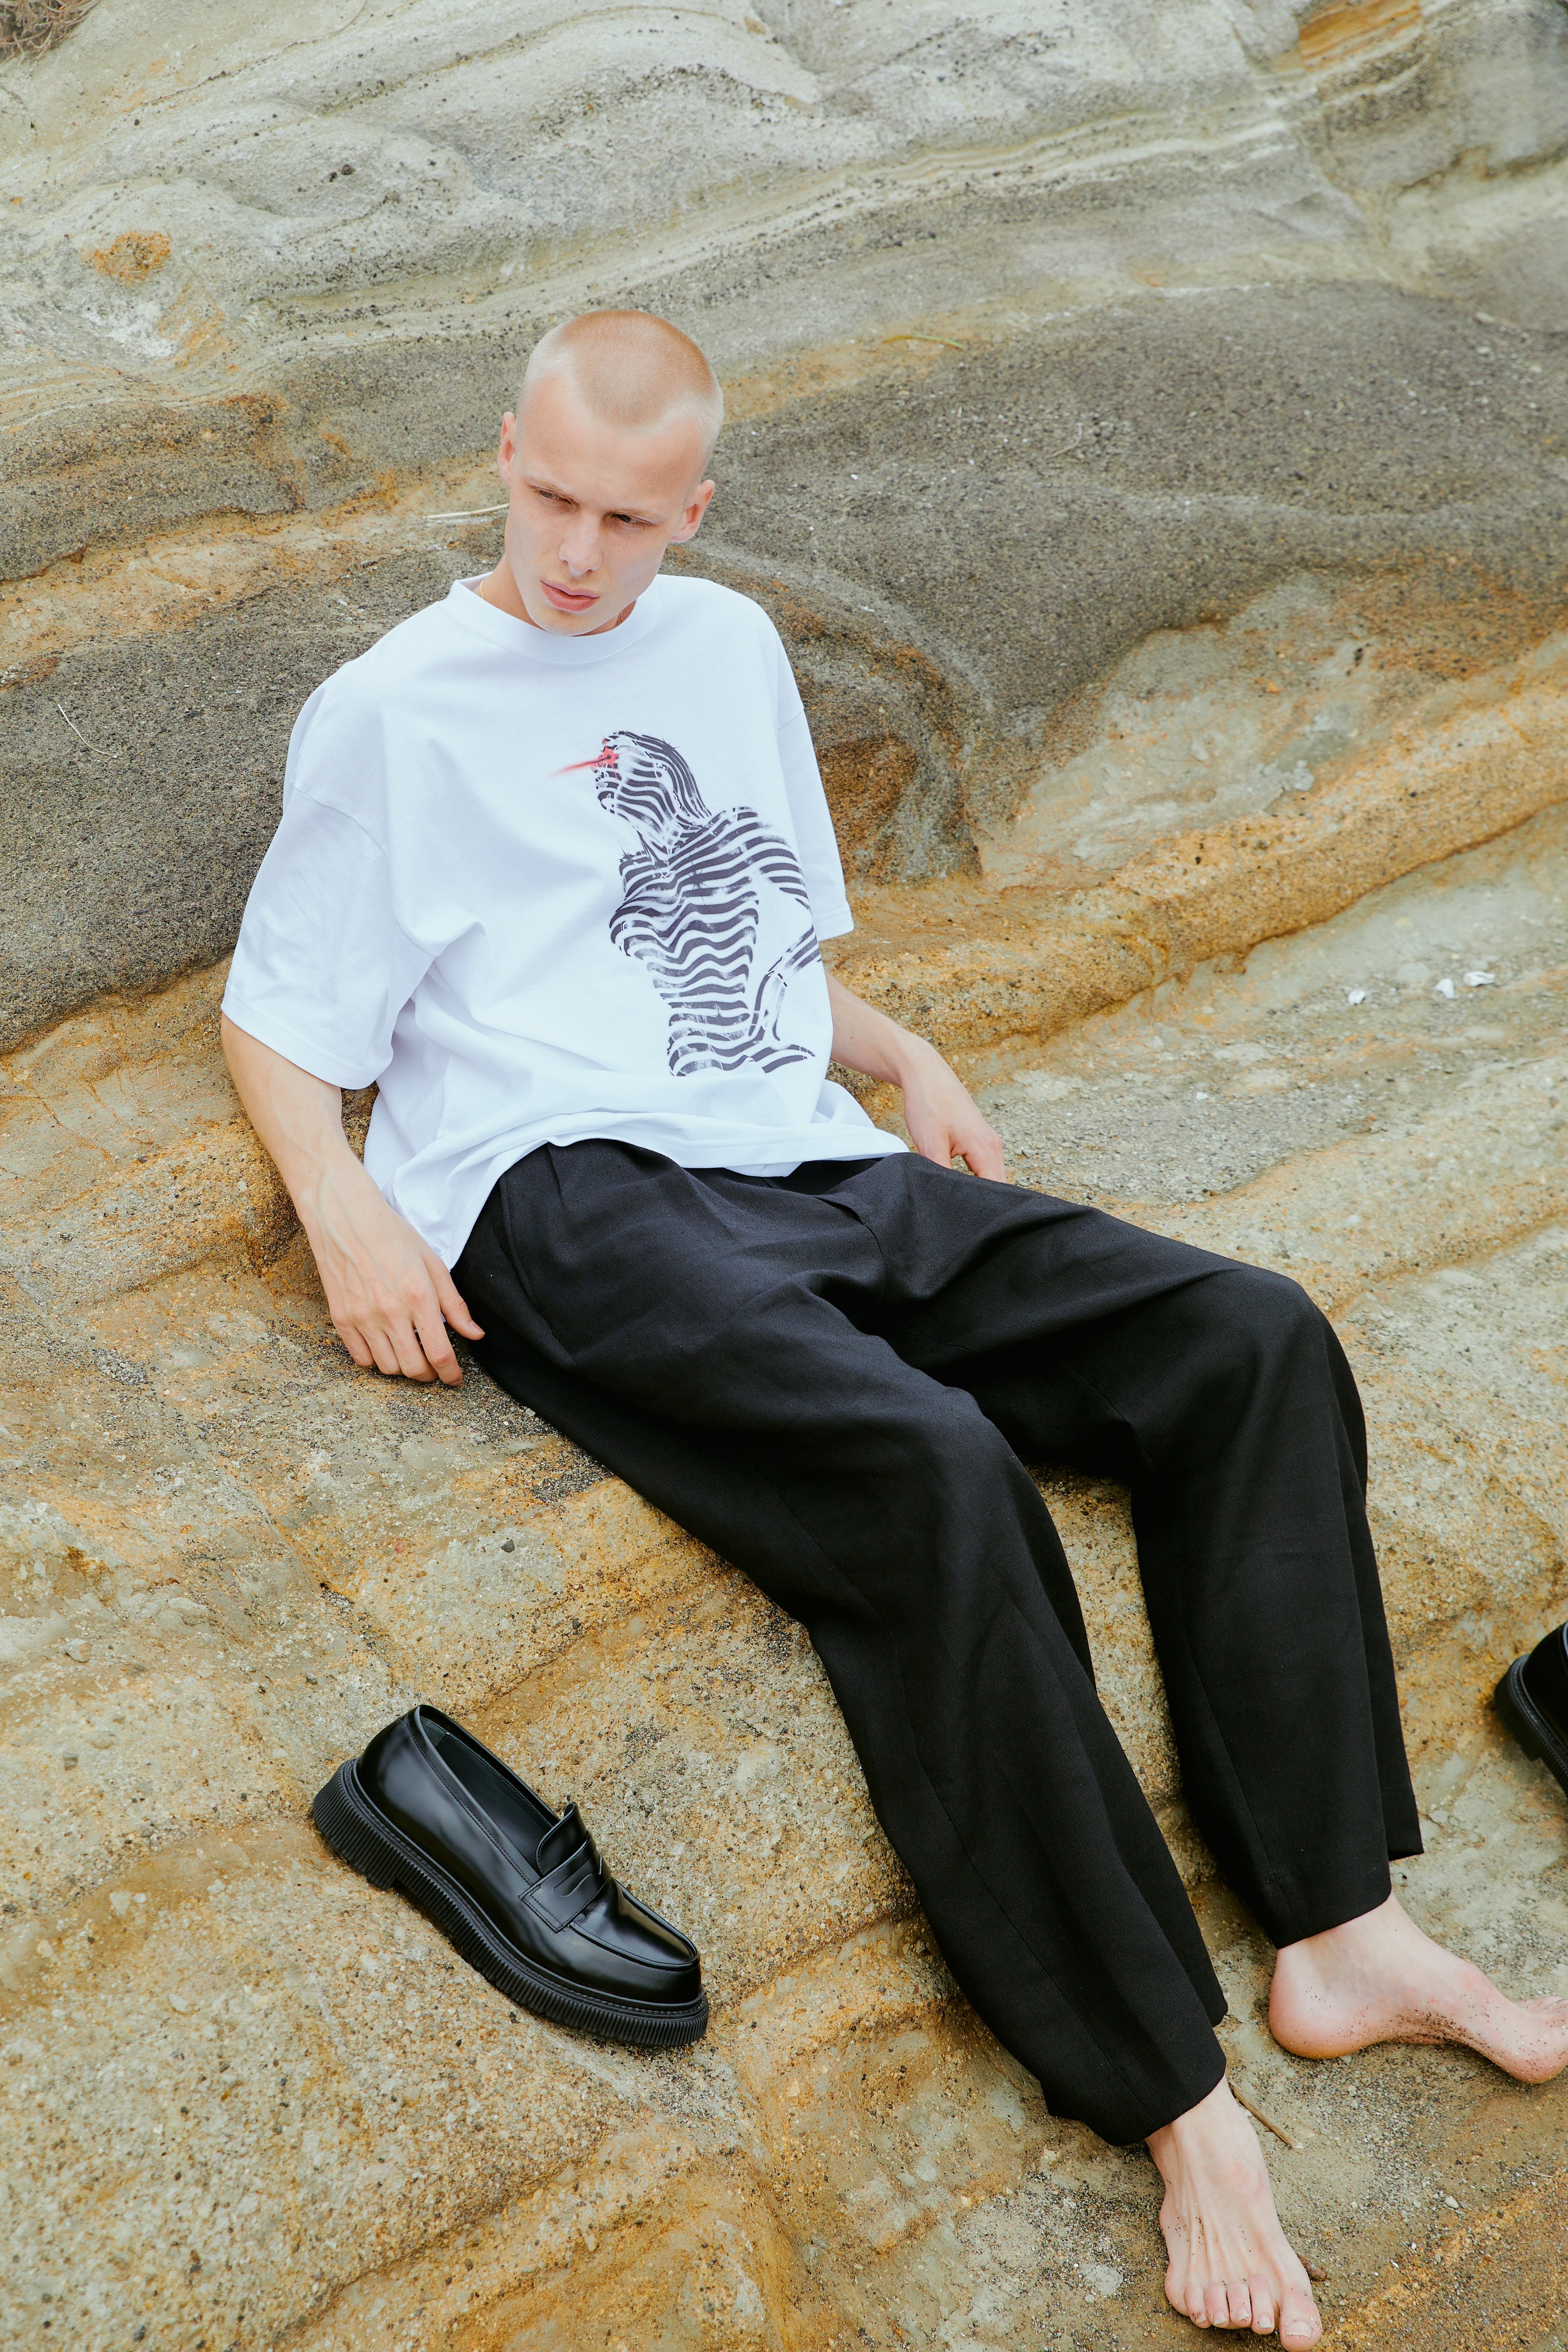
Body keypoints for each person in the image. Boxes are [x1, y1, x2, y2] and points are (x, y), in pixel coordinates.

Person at [220, 310, 1568, 2345]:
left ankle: (1343, 1925)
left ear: (696, 505)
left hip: (798, 1149)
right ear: (502, 452)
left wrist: (899, 1047)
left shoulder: (725, 649)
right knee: (930, 1474)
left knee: (1247, 1338)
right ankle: (1177, 2097)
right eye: (550, 496)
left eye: (625, 517)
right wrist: (343, 1211)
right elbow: (277, 1015)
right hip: (562, 1193)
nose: (576, 551)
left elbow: (749, 936)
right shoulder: (394, 708)